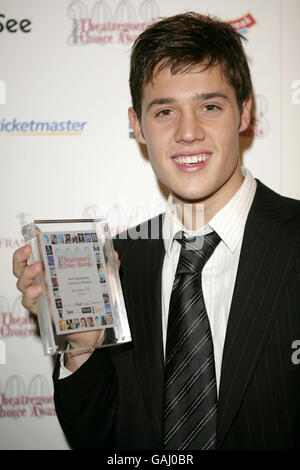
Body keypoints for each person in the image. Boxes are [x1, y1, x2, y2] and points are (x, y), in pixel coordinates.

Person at [13, 12, 300, 450]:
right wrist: (84, 349)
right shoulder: (112, 265)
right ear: (137, 125)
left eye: (209, 106)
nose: (188, 132)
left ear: (244, 113)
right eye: (165, 111)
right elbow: (100, 441)